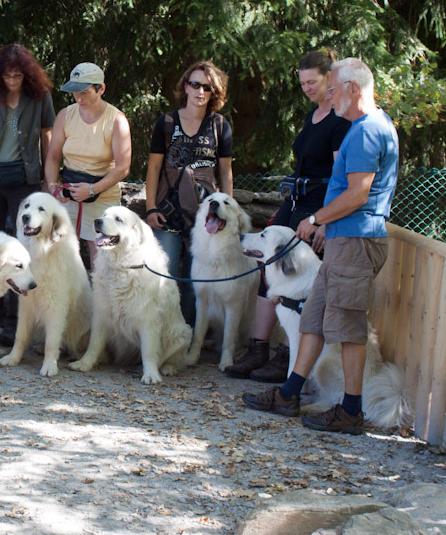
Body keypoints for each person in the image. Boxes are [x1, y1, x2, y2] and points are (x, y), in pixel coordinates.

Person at [243, 57, 399, 434]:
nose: (329, 97)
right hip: (344, 239)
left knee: (346, 327)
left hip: (357, 242)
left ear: (354, 89)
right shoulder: (369, 127)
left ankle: (351, 411)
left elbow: (359, 193)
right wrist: (330, 225)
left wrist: (317, 219)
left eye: (333, 89)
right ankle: (290, 393)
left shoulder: (365, 132)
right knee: (313, 318)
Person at [225, 49, 350, 382]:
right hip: (295, 206)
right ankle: (258, 349)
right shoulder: (314, 115)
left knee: (302, 290)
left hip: (317, 210)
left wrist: (325, 220)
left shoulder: (340, 120)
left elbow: (341, 176)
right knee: (270, 274)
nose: (307, 88)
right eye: (303, 83)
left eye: (313, 81)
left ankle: (288, 358)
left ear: (329, 77)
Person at [0, 44, 56, 344]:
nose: (12, 81)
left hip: (26, 180)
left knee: (23, 251)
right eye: (7, 76)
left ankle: (17, 324)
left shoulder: (40, 96)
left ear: (27, 74)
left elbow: (47, 138)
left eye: (17, 76)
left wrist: (48, 181)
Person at [144, 61, 234, 326]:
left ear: (214, 92)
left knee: (198, 280)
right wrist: (150, 207)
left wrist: (228, 212)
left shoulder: (220, 125)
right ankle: (163, 333)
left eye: (207, 87)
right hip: (167, 211)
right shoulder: (167, 122)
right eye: (195, 84)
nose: (200, 92)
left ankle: (190, 339)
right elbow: (154, 167)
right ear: (186, 86)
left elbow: (225, 172)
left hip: (208, 217)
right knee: (166, 275)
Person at [44, 62, 131, 265]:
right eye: (74, 92)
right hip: (69, 193)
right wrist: (52, 186)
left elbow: (123, 167)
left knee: (101, 258)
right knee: (59, 254)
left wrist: (92, 189)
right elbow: (53, 156)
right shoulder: (65, 115)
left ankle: (99, 297)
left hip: (102, 195)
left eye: (84, 92)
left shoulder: (117, 120)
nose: (78, 98)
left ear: (101, 89)